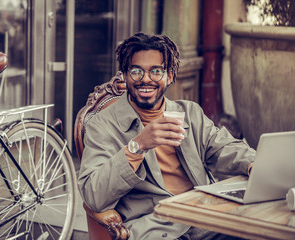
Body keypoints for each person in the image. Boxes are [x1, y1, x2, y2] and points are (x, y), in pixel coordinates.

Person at [78, 32, 255, 240]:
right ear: (125, 75)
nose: (146, 79)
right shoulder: (102, 125)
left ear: (169, 76)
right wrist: (137, 146)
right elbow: (93, 195)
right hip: (156, 229)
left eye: (156, 71)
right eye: (136, 71)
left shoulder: (189, 113)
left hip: (204, 222)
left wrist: (253, 164)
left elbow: (224, 147)